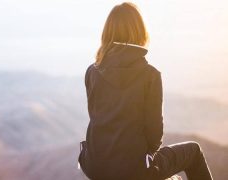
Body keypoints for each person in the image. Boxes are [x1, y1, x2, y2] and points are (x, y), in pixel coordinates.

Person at [78, 2, 213, 180]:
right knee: (194, 151)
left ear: (107, 32)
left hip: (95, 167)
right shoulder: (150, 75)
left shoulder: (92, 71)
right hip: (134, 169)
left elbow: (97, 118)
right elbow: (155, 134)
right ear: (140, 32)